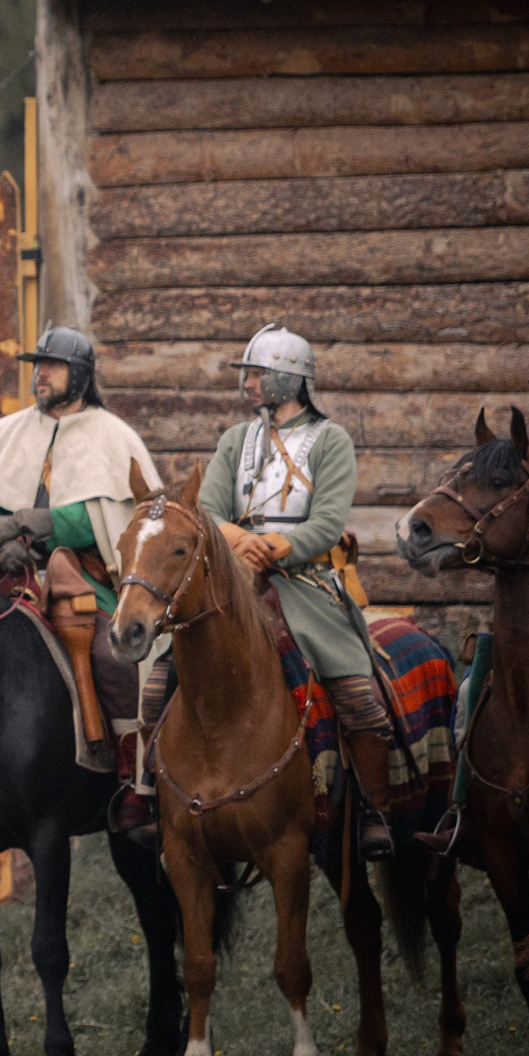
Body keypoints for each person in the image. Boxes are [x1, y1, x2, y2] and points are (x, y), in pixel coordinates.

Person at [0, 326, 159, 841]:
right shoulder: (8, 434)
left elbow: (104, 519)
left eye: (52, 366)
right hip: (8, 575)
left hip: (80, 574)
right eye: (37, 366)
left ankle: (132, 775)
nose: (40, 375)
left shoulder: (112, 437)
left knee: (114, 656)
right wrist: (0, 543)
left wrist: (37, 523)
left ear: (79, 376)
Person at [197, 324, 397, 859]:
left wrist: (274, 549)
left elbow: (327, 524)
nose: (248, 384)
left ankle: (374, 811)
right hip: (235, 579)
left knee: (358, 695)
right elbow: (208, 510)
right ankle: (151, 792)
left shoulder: (331, 440)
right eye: (247, 374)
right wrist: (242, 542)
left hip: (305, 583)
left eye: (257, 374)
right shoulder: (235, 441)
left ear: (289, 378)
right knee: (167, 675)